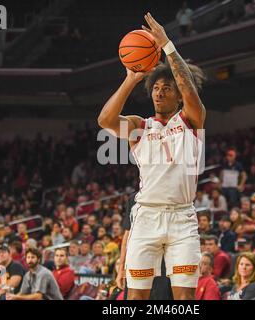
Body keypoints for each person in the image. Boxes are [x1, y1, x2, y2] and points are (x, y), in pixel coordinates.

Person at [99, 14, 207, 299]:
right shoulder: (140, 126)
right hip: (146, 216)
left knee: (184, 299)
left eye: (167, 87)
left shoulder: (191, 120)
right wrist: (130, 79)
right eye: (156, 87)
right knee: (136, 298)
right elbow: (105, 120)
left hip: (182, 217)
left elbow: (188, 86)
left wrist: (168, 45)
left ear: (178, 96)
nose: (160, 92)